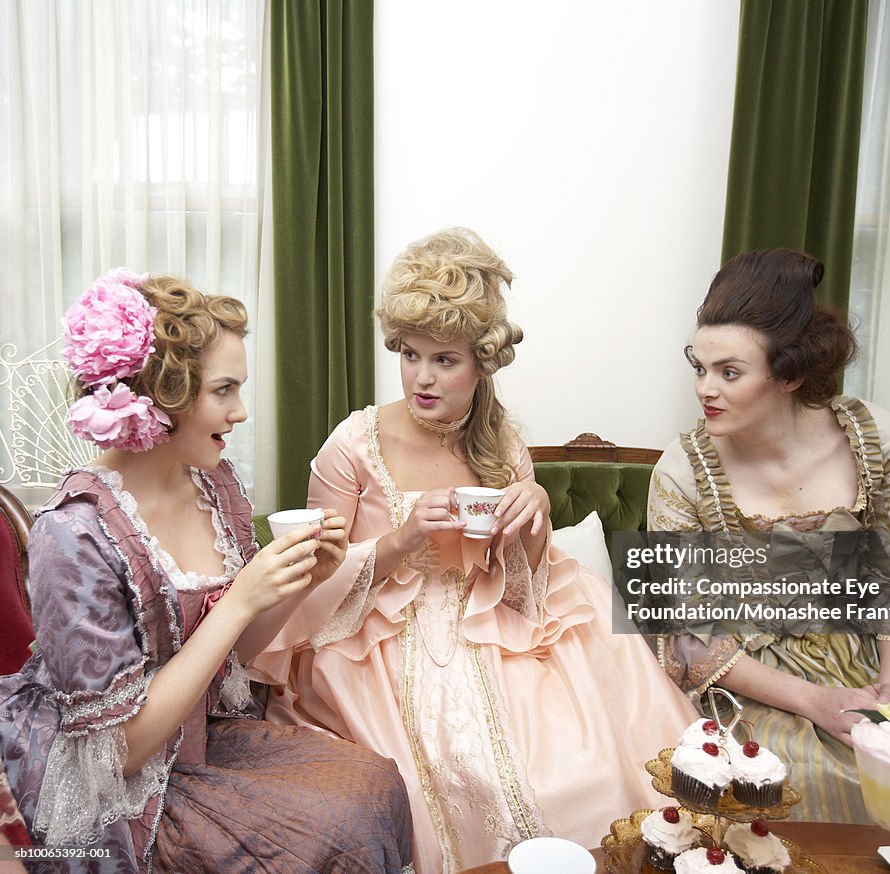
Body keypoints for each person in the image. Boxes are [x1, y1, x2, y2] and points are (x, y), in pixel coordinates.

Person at [249, 228, 701, 873]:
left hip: (492, 625)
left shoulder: (504, 443)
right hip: (375, 641)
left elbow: (526, 587)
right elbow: (311, 580)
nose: (421, 378)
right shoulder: (354, 442)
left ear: (481, 362)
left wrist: (534, 516)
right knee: (430, 778)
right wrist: (402, 540)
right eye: (409, 355)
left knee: (579, 769)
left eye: (444, 360)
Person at [0, 270, 413, 872]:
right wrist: (242, 598)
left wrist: (304, 580)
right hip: (115, 783)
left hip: (200, 732)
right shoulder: (72, 534)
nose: (241, 412)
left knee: (375, 786)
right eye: (224, 390)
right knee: (332, 831)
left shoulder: (215, 485)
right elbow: (120, 752)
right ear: (159, 394)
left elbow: (236, 655)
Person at [646, 247, 890, 825]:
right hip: (759, 672)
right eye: (699, 367)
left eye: (730, 372)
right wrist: (818, 703)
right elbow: (692, 635)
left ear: (790, 374)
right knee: (793, 786)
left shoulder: (876, 436)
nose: (705, 390)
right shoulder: (681, 471)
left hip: (886, 646)